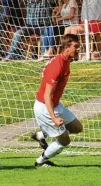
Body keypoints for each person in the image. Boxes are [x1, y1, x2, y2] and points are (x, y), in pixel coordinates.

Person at [31, 34, 83, 167]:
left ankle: (41, 134)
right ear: (66, 48)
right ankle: (40, 162)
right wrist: (54, 118)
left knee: (77, 127)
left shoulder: (65, 61)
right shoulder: (57, 66)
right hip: (45, 107)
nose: (78, 49)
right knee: (65, 140)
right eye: (76, 46)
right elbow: (47, 95)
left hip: (55, 104)